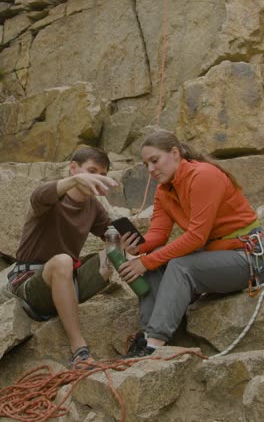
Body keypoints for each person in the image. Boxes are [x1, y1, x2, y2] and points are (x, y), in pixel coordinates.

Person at [119, 129, 264, 357]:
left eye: (155, 161)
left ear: (175, 153)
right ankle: (149, 334)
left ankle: (154, 346)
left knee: (179, 266)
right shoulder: (164, 190)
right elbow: (158, 233)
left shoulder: (204, 176)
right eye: (146, 164)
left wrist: (146, 261)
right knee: (154, 258)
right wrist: (139, 247)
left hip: (247, 257)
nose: (150, 170)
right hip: (216, 255)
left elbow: (197, 237)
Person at [6, 147, 118, 366]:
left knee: (115, 249)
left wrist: (125, 241)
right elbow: (40, 195)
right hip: (30, 283)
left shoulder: (93, 206)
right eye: (91, 171)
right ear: (73, 168)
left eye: (102, 175)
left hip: (69, 282)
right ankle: (79, 348)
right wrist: (76, 181)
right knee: (63, 260)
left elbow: (110, 232)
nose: (96, 178)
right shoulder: (49, 197)